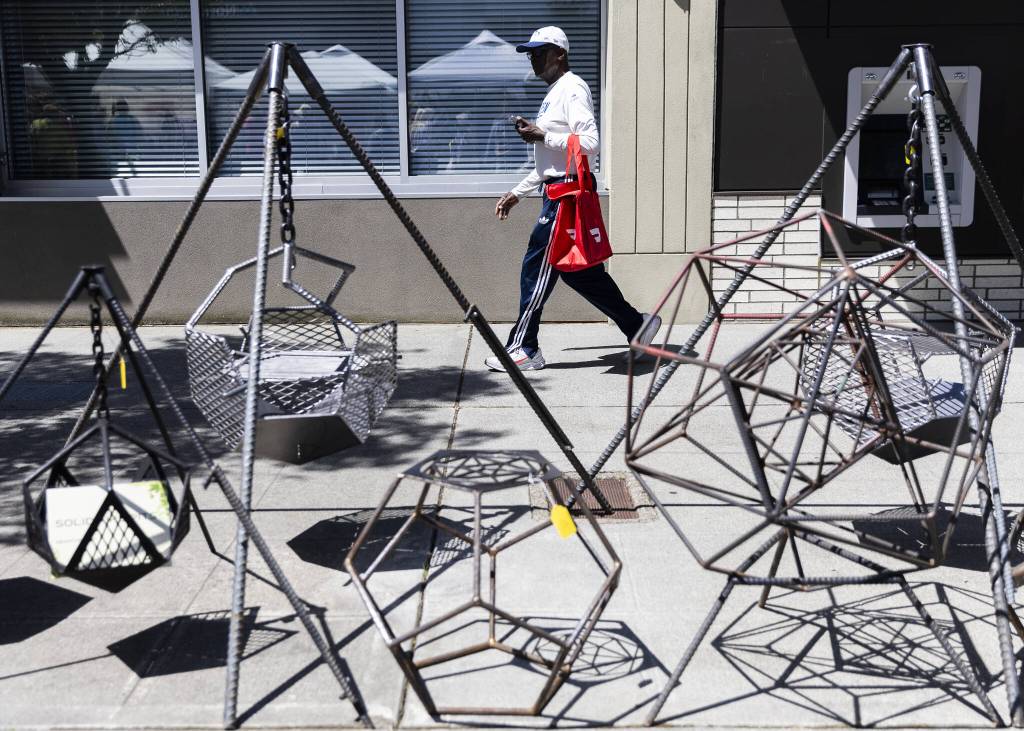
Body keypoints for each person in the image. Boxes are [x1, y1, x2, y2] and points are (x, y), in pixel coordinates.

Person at [487, 26, 660, 372]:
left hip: (565, 196)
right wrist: (517, 192)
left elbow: (591, 143)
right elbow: (554, 161)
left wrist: (542, 134)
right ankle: (636, 325)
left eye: (539, 51)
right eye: (530, 53)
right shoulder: (556, 92)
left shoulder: (572, 87)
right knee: (580, 274)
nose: (533, 58)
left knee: (536, 269)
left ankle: (524, 347)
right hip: (559, 189)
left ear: (560, 54)